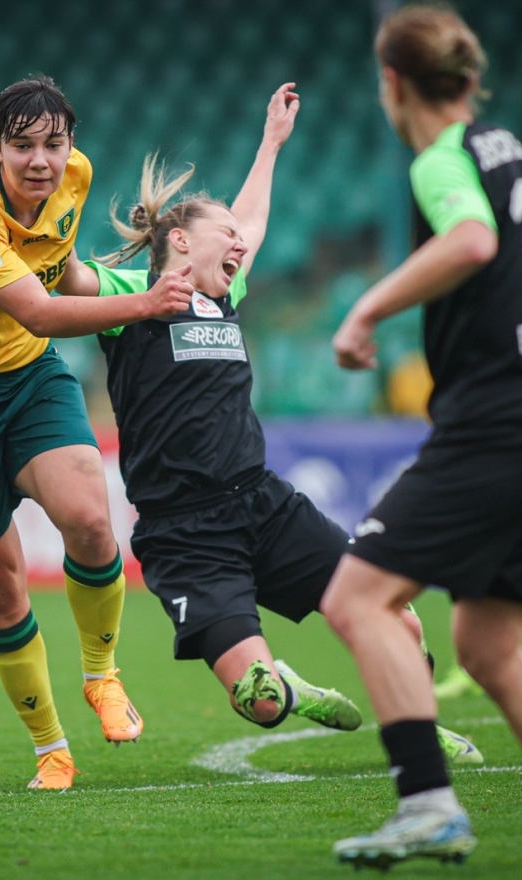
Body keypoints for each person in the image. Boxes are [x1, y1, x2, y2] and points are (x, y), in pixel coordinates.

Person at [322, 4, 522, 870]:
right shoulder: (519, 163)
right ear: (468, 78)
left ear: (393, 83)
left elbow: (469, 241)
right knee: (489, 648)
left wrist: (366, 309)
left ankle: (427, 807)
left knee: (356, 599)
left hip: (499, 420)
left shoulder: (442, 160)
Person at [76, 84, 481, 764]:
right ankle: (288, 686)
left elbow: (254, 222)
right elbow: (63, 284)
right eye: (225, 235)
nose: (241, 244)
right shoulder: (131, 296)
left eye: (239, 241)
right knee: (260, 702)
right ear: (180, 240)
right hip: (184, 533)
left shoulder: (224, 294)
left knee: (393, 615)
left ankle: (421, 731)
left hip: (263, 504)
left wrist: (270, 144)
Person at [0, 76, 192, 790]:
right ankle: (50, 749)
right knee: (1, 586)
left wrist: (132, 288)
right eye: (23, 145)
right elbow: (36, 307)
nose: (41, 161)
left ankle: (102, 675)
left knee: (91, 520)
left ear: (70, 145)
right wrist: (147, 304)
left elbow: (64, 275)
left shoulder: (74, 177)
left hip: (29, 378)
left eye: (53, 144)